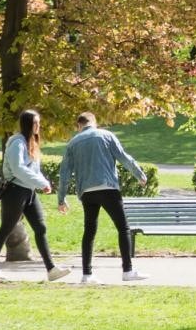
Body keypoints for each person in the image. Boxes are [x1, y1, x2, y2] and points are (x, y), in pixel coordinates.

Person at [57, 112, 149, 284]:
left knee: (89, 231)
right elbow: (123, 157)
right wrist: (139, 174)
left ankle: (87, 274)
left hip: (86, 192)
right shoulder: (106, 135)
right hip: (108, 187)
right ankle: (127, 270)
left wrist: (61, 199)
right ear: (94, 122)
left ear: (79, 125)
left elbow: (64, 174)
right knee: (123, 228)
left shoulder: (73, 143)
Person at [0, 109, 71, 283]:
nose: (38, 126)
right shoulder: (17, 143)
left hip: (29, 191)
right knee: (6, 229)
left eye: (39, 123)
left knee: (40, 228)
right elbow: (18, 168)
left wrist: (42, 182)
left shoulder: (31, 142)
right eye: (35, 123)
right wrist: (41, 183)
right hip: (15, 191)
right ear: (27, 124)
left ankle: (51, 269)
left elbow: (33, 169)